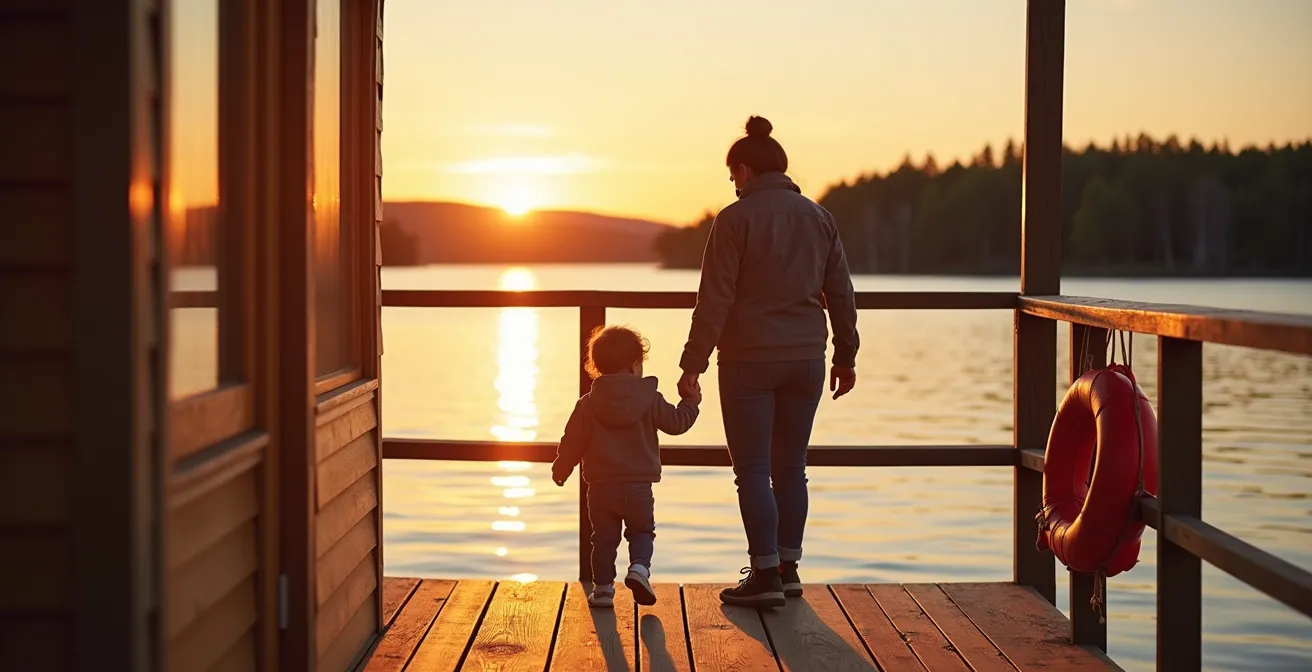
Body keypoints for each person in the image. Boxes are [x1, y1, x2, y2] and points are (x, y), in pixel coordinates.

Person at [678, 116, 860, 607]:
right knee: (791, 468)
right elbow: (841, 294)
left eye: (734, 175)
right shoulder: (819, 217)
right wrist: (846, 355)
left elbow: (714, 300)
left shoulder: (735, 221)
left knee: (754, 469)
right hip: (806, 360)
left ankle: (763, 577)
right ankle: (788, 567)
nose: (734, 185)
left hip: (748, 363)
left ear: (745, 169)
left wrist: (691, 363)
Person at [552, 325, 701, 608]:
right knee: (641, 532)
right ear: (635, 364)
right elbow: (677, 423)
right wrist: (691, 403)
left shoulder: (587, 404)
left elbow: (572, 441)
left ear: (596, 367)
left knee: (604, 539)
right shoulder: (650, 399)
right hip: (638, 486)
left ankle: (604, 589)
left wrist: (561, 468)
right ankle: (639, 569)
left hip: (600, 487)